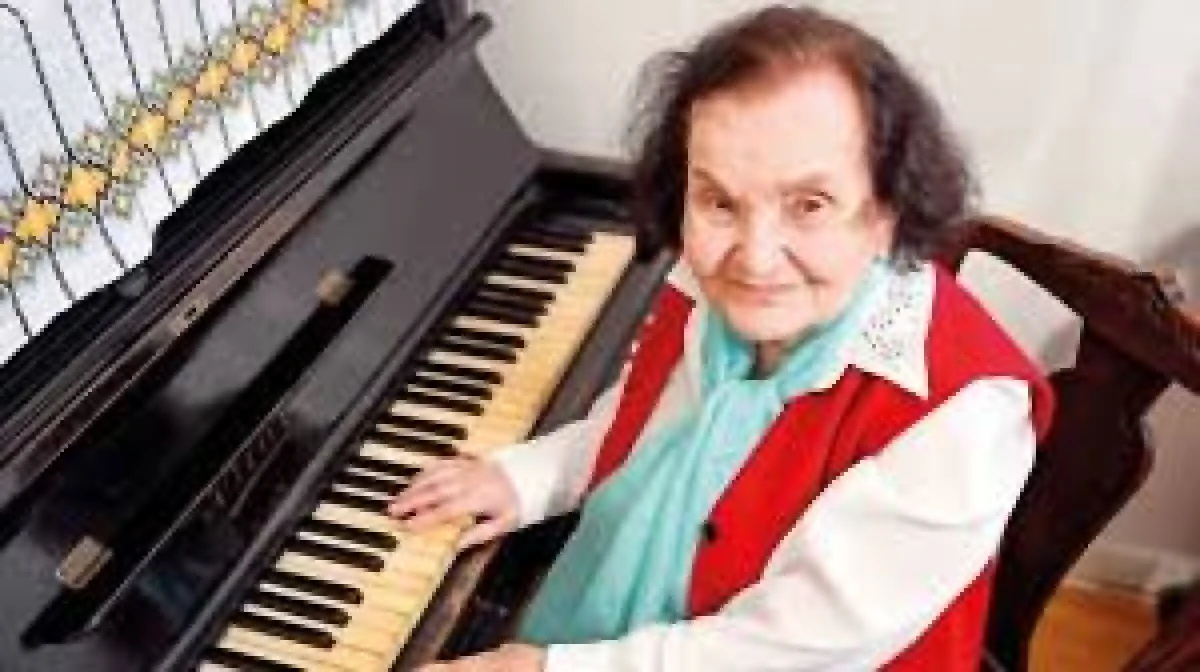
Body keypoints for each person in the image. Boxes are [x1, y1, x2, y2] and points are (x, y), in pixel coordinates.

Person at [388, 5, 1054, 671]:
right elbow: (644, 426)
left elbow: (786, 650)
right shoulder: (708, 285)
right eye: (719, 202)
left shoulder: (966, 417)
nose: (755, 259)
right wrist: (526, 478)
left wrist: (550, 668)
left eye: (809, 206)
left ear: (886, 210)